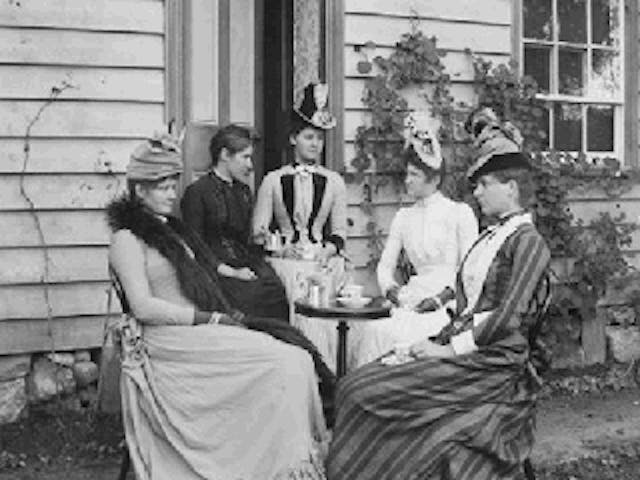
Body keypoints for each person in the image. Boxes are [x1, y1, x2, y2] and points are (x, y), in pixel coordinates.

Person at [326, 109, 551, 480]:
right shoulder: (491, 237)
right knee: (355, 384)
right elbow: (468, 307)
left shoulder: (527, 242)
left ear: (510, 189)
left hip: (496, 366)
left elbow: (506, 319)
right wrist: (431, 340)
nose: (476, 192)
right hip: (468, 348)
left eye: (484, 184)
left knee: (362, 393)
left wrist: (446, 349)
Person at [107, 133, 332, 480]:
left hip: (196, 332)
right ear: (140, 191)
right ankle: (273, 465)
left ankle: (282, 461)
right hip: (166, 342)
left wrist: (221, 314)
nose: (172, 193)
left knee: (296, 359)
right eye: (162, 187)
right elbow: (142, 306)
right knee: (281, 365)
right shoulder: (127, 239)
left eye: (172, 185)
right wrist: (207, 318)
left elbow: (205, 279)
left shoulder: (174, 232)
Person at [349, 112, 478, 368]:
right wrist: (392, 291)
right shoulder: (404, 217)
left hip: (449, 300)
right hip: (414, 297)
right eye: (406, 174)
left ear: (434, 178)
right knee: (376, 331)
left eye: (414, 175)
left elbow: (469, 270)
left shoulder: (458, 213)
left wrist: (441, 298)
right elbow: (385, 267)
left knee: (417, 335)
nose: (407, 181)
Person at [181, 124, 289, 320]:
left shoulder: (243, 192)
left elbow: (244, 241)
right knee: (252, 297)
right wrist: (231, 272)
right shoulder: (197, 192)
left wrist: (258, 240)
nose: (250, 165)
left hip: (246, 265)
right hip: (214, 272)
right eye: (245, 157)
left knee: (278, 291)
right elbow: (194, 247)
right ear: (224, 154)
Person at [252, 82, 347, 259]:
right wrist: (281, 250)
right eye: (309, 137)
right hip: (284, 259)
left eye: (320, 139)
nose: (315, 144)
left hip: (320, 257)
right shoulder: (273, 180)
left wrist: (327, 251)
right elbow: (259, 232)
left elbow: (340, 231)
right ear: (294, 138)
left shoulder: (334, 182)